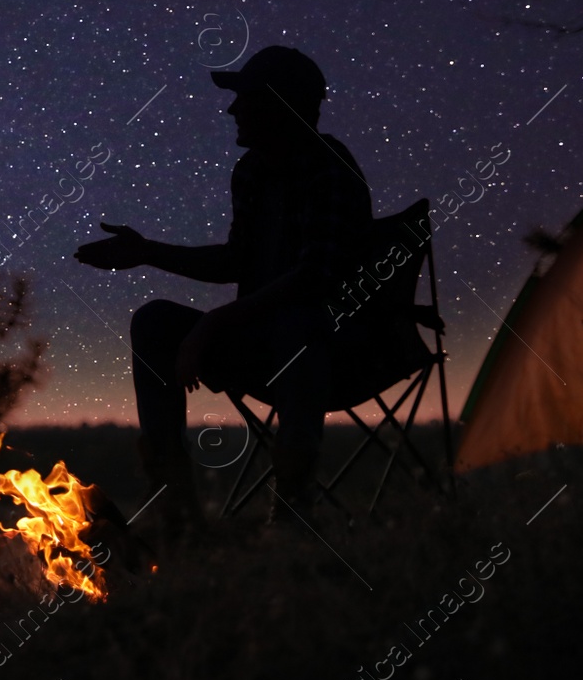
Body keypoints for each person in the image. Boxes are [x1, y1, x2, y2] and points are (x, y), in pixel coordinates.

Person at [74, 47, 372, 530]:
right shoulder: (252, 172)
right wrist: (148, 251)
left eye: (246, 98)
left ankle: (292, 512)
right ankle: (178, 509)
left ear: (282, 105)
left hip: (336, 352)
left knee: (302, 324)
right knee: (154, 322)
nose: (233, 110)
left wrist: (215, 322)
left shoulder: (328, 168)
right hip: (263, 347)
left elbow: (316, 277)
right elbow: (236, 261)